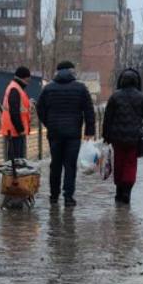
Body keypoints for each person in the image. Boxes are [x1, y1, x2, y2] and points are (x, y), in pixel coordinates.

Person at [36, 60, 96, 206]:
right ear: (71, 71)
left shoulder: (48, 89)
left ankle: (54, 196)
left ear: (57, 72)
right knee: (70, 165)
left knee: (55, 164)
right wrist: (89, 131)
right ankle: (68, 197)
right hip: (73, 134)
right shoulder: (80, 88)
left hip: (54, 133)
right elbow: (89, 111)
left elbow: (39, 108)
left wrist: (48, 123)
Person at [100, 67, 143, 205]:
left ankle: (119, 191)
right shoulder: (141, 97)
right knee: (130, 164)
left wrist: (106, 135)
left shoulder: (115, 97)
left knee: (119, 163)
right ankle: (126, 191)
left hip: (117, 138)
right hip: (134, 138)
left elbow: (107, 118)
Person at [1, 66, 32, 161]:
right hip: (14, 131)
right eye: (28, 79)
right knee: (16, 161)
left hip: (15, 131)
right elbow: (14, 112)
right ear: (23, 78)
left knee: (16, 161)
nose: (28, 82)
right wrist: (20, 129)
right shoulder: (15, 89)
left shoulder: (16, 88)